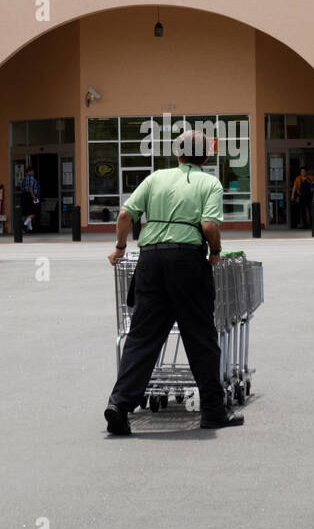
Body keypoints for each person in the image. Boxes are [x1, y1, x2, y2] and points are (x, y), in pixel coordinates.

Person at [104, 129, 243, 434]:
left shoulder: (155, 178)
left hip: (150, 262)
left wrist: (120, 246)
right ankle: (212, 411)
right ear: (205, 157)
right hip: (187, 262)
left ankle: (119, 404)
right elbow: (208, 226)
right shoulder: (210, 183)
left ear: (177, 154)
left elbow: (126, 215)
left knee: (142, 337)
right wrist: (216, 251)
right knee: (201, 337)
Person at [20, 166, 39, 233]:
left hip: (24, 196)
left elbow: (22, 188)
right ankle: (24, 225)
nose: (33, 173)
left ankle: (30, 229)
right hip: (30, 196)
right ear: (30, 171)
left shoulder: (24, 179)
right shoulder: (31, 178)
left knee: (29, 212)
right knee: (34, 212)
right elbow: (30, 188)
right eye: (33, 171)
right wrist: (33, 196)